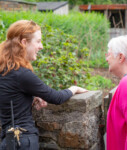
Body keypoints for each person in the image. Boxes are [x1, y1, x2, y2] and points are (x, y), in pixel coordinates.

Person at [0, 20, 88, 150]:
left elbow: (11, 96)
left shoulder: (5, 69)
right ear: (24, 42)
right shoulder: (21, 74)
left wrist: (30, 96)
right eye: (38, 41)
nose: (41, 46)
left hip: (7, 141)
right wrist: (73, 88)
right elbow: (55, 97)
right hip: (23, 141)